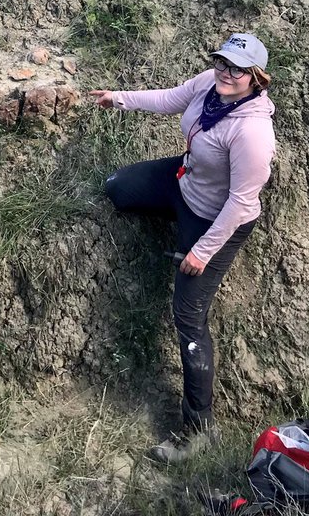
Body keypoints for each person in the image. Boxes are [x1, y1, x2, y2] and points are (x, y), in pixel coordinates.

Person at [90, 32, 275, 464]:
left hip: (217, 219)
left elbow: (242, 202)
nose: (226, 74)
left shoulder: (252, 132)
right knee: (118, 189)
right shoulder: (210, 87)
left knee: (188, 317)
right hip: (185, 182)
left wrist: (202, 251)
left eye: (237, 69)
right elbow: (171, 98)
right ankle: (173, 235)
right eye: (222, 63)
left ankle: (199, 429)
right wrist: (120, 98)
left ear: (256, 78)